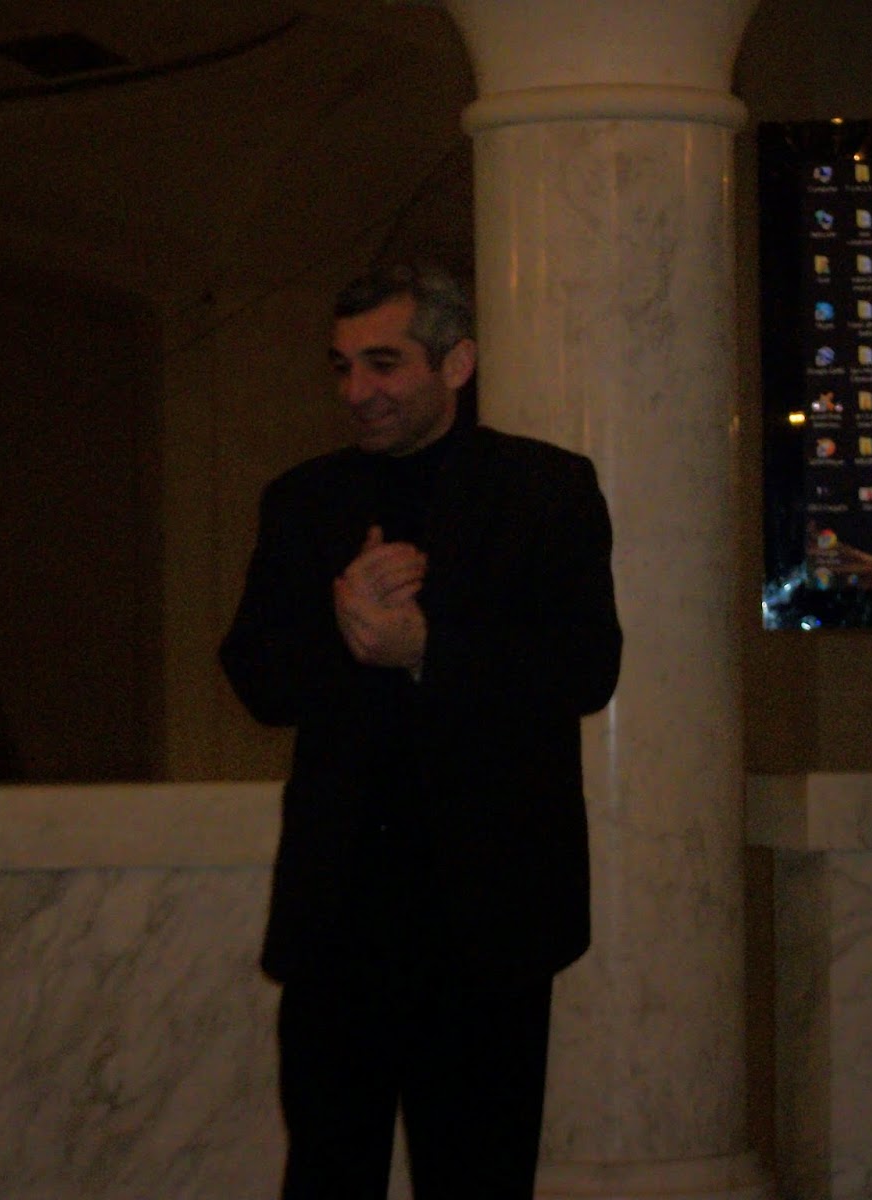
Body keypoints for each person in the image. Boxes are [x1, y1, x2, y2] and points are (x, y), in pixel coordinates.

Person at [220, 263, 622, 1199]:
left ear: (457, 364)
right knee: (327, 1176)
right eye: (342, 366)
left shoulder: (546, 490)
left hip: (489, 924)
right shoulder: (304, 501)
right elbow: (256, 678)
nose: (356, 391)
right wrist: (343, 627)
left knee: (479, 1181)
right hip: (341, 923)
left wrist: (425, 649)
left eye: (384, 363)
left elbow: (585, 667)